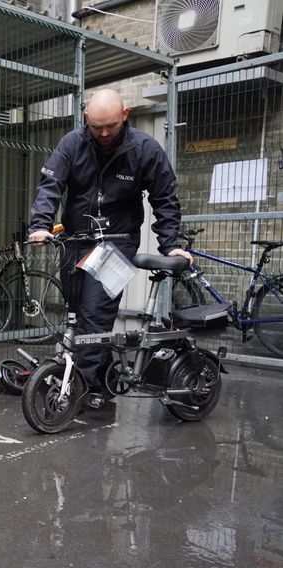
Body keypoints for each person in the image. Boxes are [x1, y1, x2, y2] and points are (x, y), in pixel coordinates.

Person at [26, 89, 193, 410]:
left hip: (117, 241)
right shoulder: (72, 144)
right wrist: (40, 225)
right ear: (86, 119)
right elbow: (50, 186)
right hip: (77, 240)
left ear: (125, 115)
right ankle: (98, 381)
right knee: (76, 312)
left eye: (111, 127)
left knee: (94, 315)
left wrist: (170, 245)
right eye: (96, 127)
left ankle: (79, 392)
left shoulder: (144, 150)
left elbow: (165, 199)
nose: (104, 134)